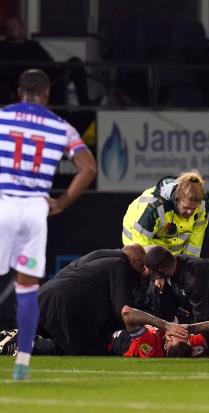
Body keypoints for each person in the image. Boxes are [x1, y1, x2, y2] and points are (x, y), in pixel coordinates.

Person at [0, 68, 97, 380]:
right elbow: (88, 168)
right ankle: (22, 363)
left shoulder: (3, 117)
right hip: (33, 210)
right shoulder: (60, 126)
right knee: (27, 287)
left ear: (19, 92)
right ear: (46, 94)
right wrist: (62, 202)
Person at [35, 245, 149, 357]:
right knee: (78, 348)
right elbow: (121, 310)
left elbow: (61, 273)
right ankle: (33, 346)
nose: (142, 272)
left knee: (46, 332)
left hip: (44, 293)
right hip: (64, 303)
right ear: (136, 259)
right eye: (142, 267)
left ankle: (22, 340)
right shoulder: (121, 265)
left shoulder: (98, 255)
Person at [0, 17, 95, 105]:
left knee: (75, 63)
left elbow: (49, 62)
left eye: (15, 25)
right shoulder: (3, 47)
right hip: (25, 84)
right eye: (10, 26)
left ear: (22, 28)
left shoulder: (33, 45)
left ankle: (85, 102)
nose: (13, 28)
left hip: (47, 79)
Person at [142, 246, 209, 326]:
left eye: (154, 273)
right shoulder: (173, 267)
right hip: (198, 313)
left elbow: (202, 312)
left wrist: (189, 335)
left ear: (161, 269)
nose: (154, 278)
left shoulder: (194, 275)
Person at [122, 171, 207, 257]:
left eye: (194, 208)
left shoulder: (202, 207)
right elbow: (141, 243)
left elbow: (195, 243)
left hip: (168, 253)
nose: (190, 212)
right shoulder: (154, 208)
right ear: (176, 199)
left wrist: (189, 264)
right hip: (136, 242)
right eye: (186, 208)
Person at [110, 305, 209, 358]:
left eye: (177, 335)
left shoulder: (151, 345)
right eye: (185, 336)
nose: (180, 331)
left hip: (118, 342)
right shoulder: (189, 340)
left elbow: (126, 312)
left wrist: (166, 326)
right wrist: (192, 328)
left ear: (166, 343)